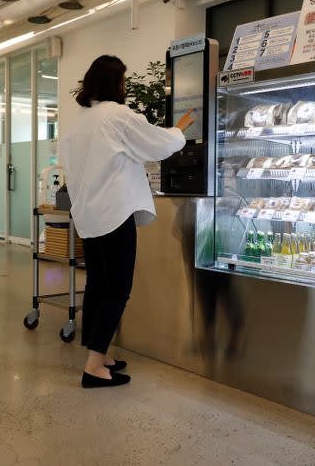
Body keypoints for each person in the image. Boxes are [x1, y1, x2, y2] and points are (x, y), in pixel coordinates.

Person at [59, 55, 195, 389]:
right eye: (122, 79)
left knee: (97, 285)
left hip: (89, 216)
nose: (124, 85)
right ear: (114, 83)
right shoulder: (117, 116)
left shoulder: (78, 123)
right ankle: (94, 367)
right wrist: (179, 130)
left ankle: (99, 354)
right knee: (117, 289)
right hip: (115, 214)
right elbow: (155, 144)